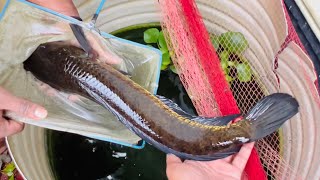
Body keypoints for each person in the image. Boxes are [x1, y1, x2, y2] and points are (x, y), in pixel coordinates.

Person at [0, 1, 254, 179]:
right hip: (78, 72)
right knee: (115, 95)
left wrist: (66, 17)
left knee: (114, 96)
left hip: (73, 73)